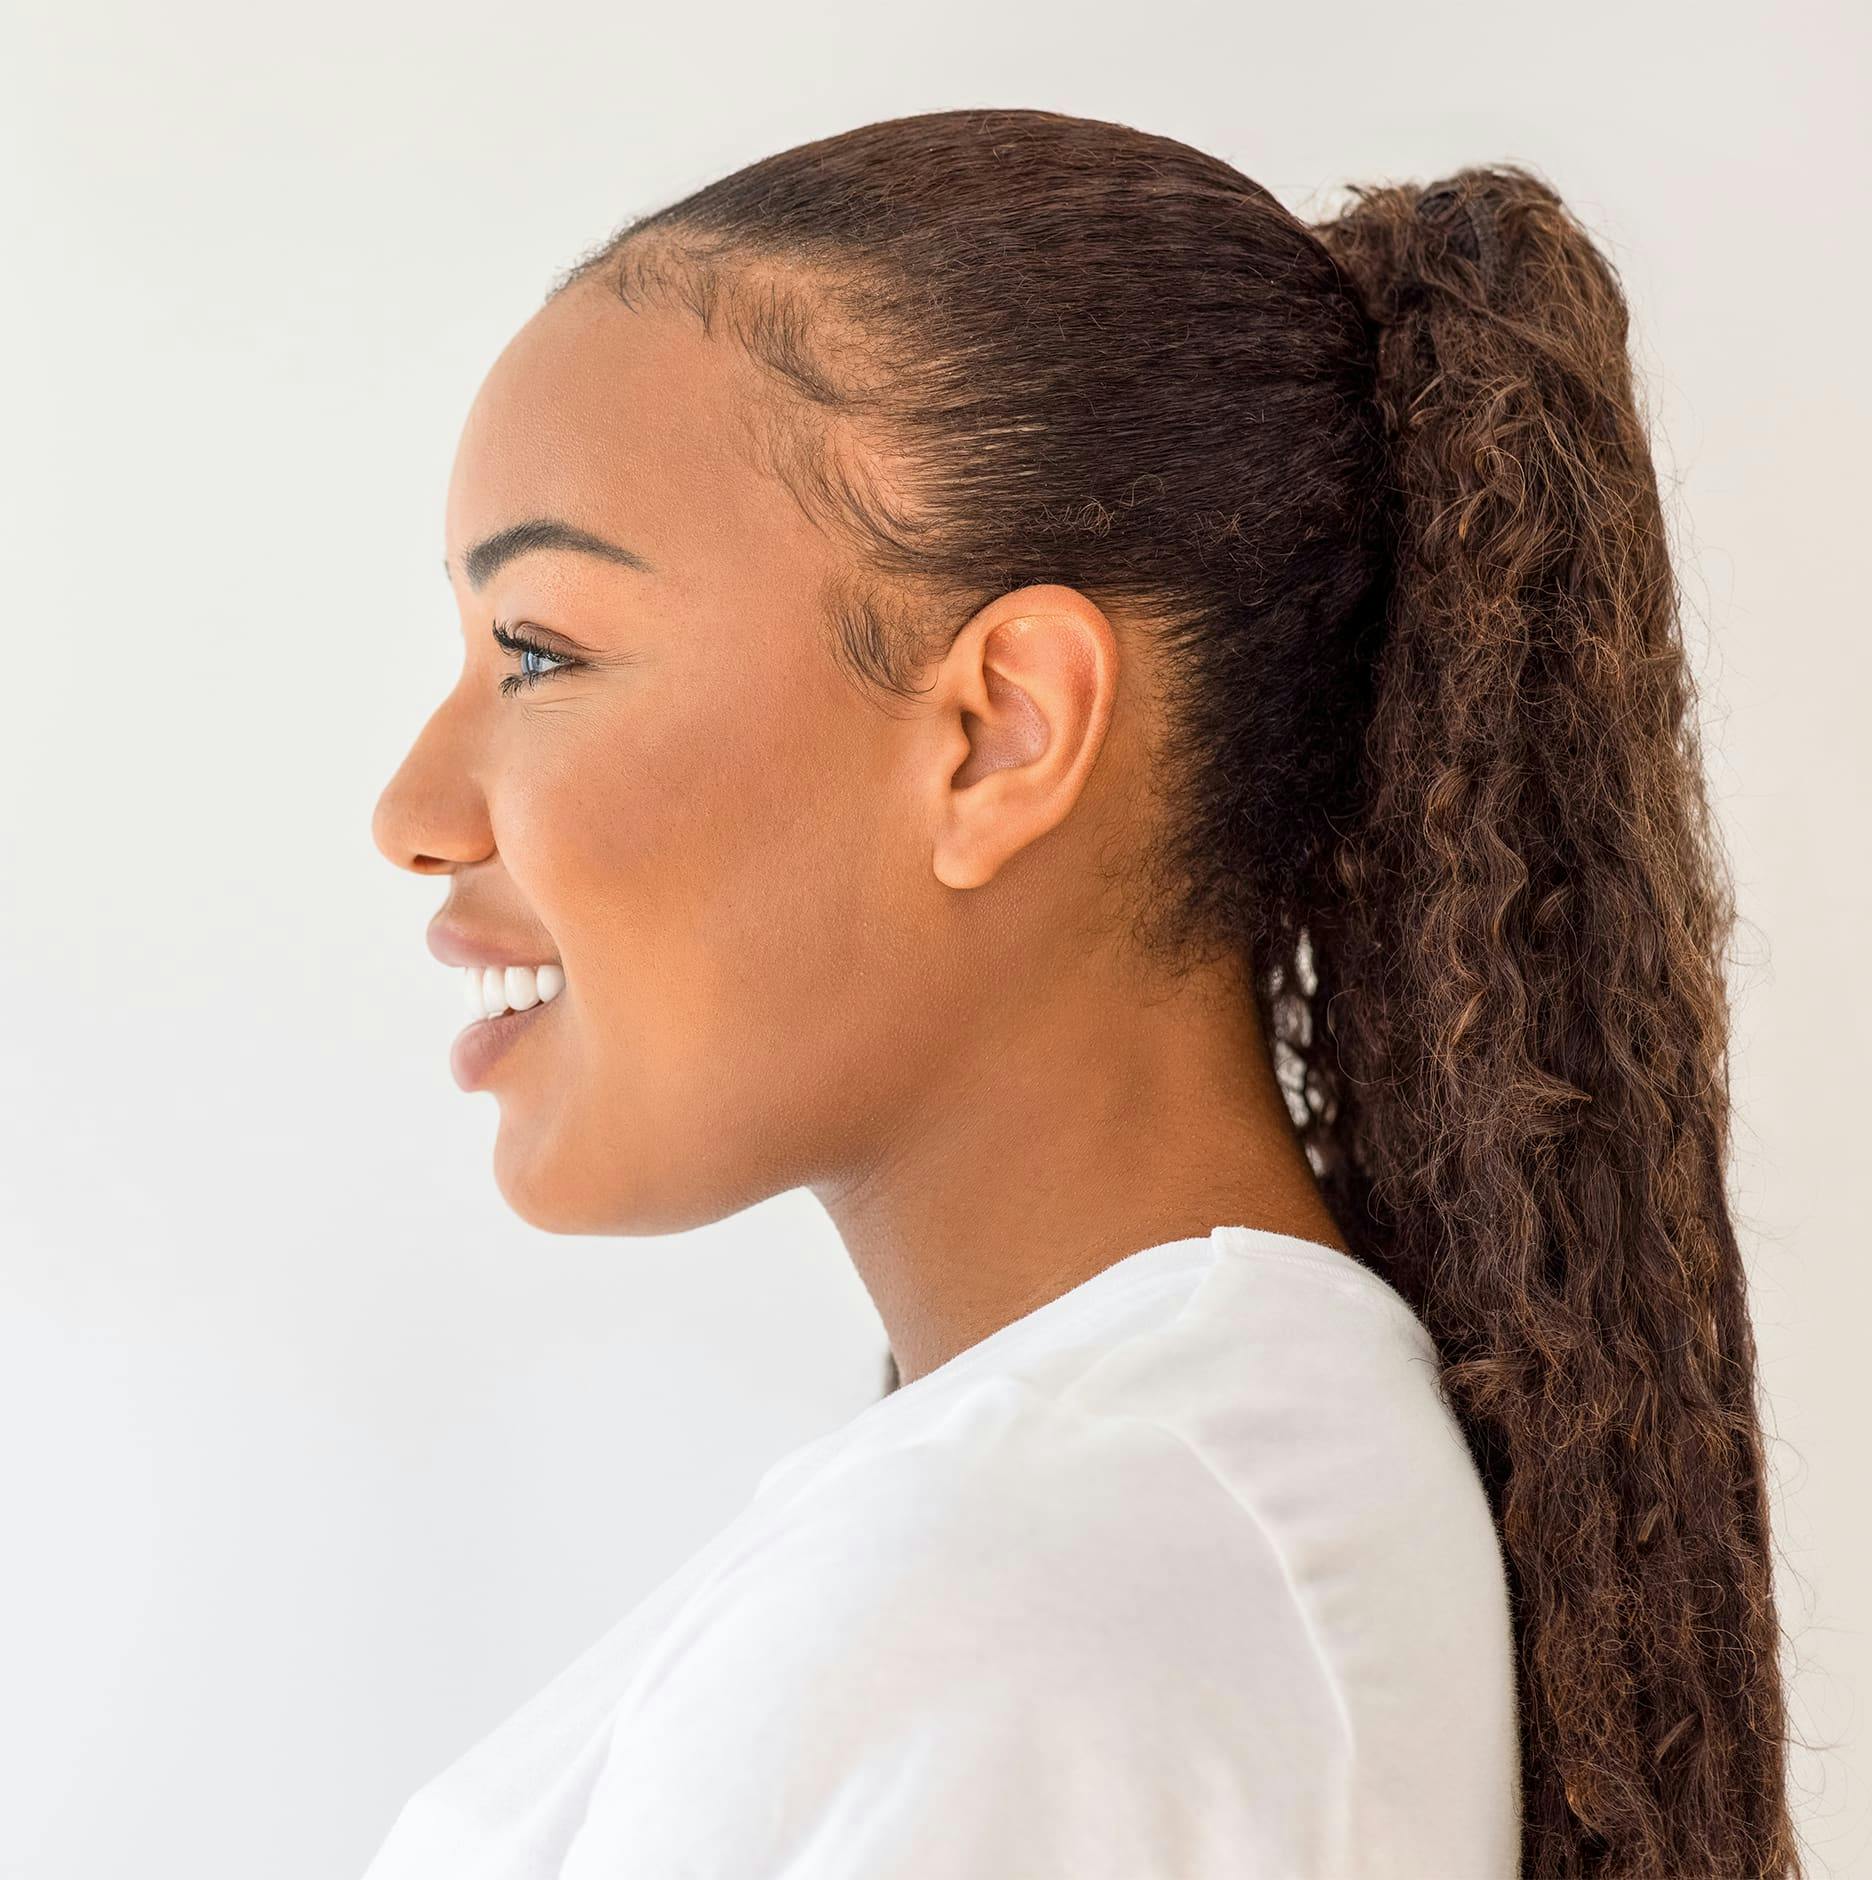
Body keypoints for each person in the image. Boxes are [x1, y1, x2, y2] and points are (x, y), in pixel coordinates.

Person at [365, 107, 1799, 1878]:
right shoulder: (1147, 1517)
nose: (414, 817)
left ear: (998, 734)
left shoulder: (1030, 1614)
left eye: (541, 654)